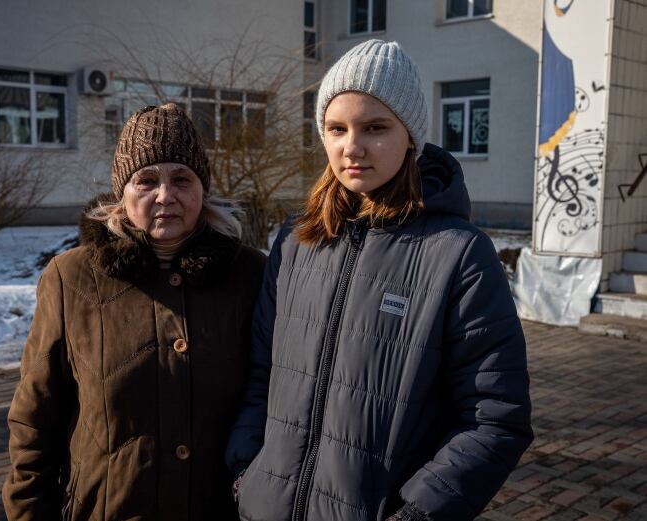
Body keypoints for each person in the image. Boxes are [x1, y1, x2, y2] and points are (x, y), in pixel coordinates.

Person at [225, 40, 533, 521]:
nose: (352, 147)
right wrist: (247, 474)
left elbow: (494, 416)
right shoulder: (295, 241)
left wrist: (416, 515)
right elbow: (261, 375)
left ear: (411, 136)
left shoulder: (458, 254)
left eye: (375, 127)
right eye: (336, 128)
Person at [2, 103, 265, 520]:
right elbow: (35, 416)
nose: (166, 196)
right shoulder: (70, 279)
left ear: (203, 190)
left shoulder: (250, 275)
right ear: (122, 194)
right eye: (146, 181)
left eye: (182, 178)